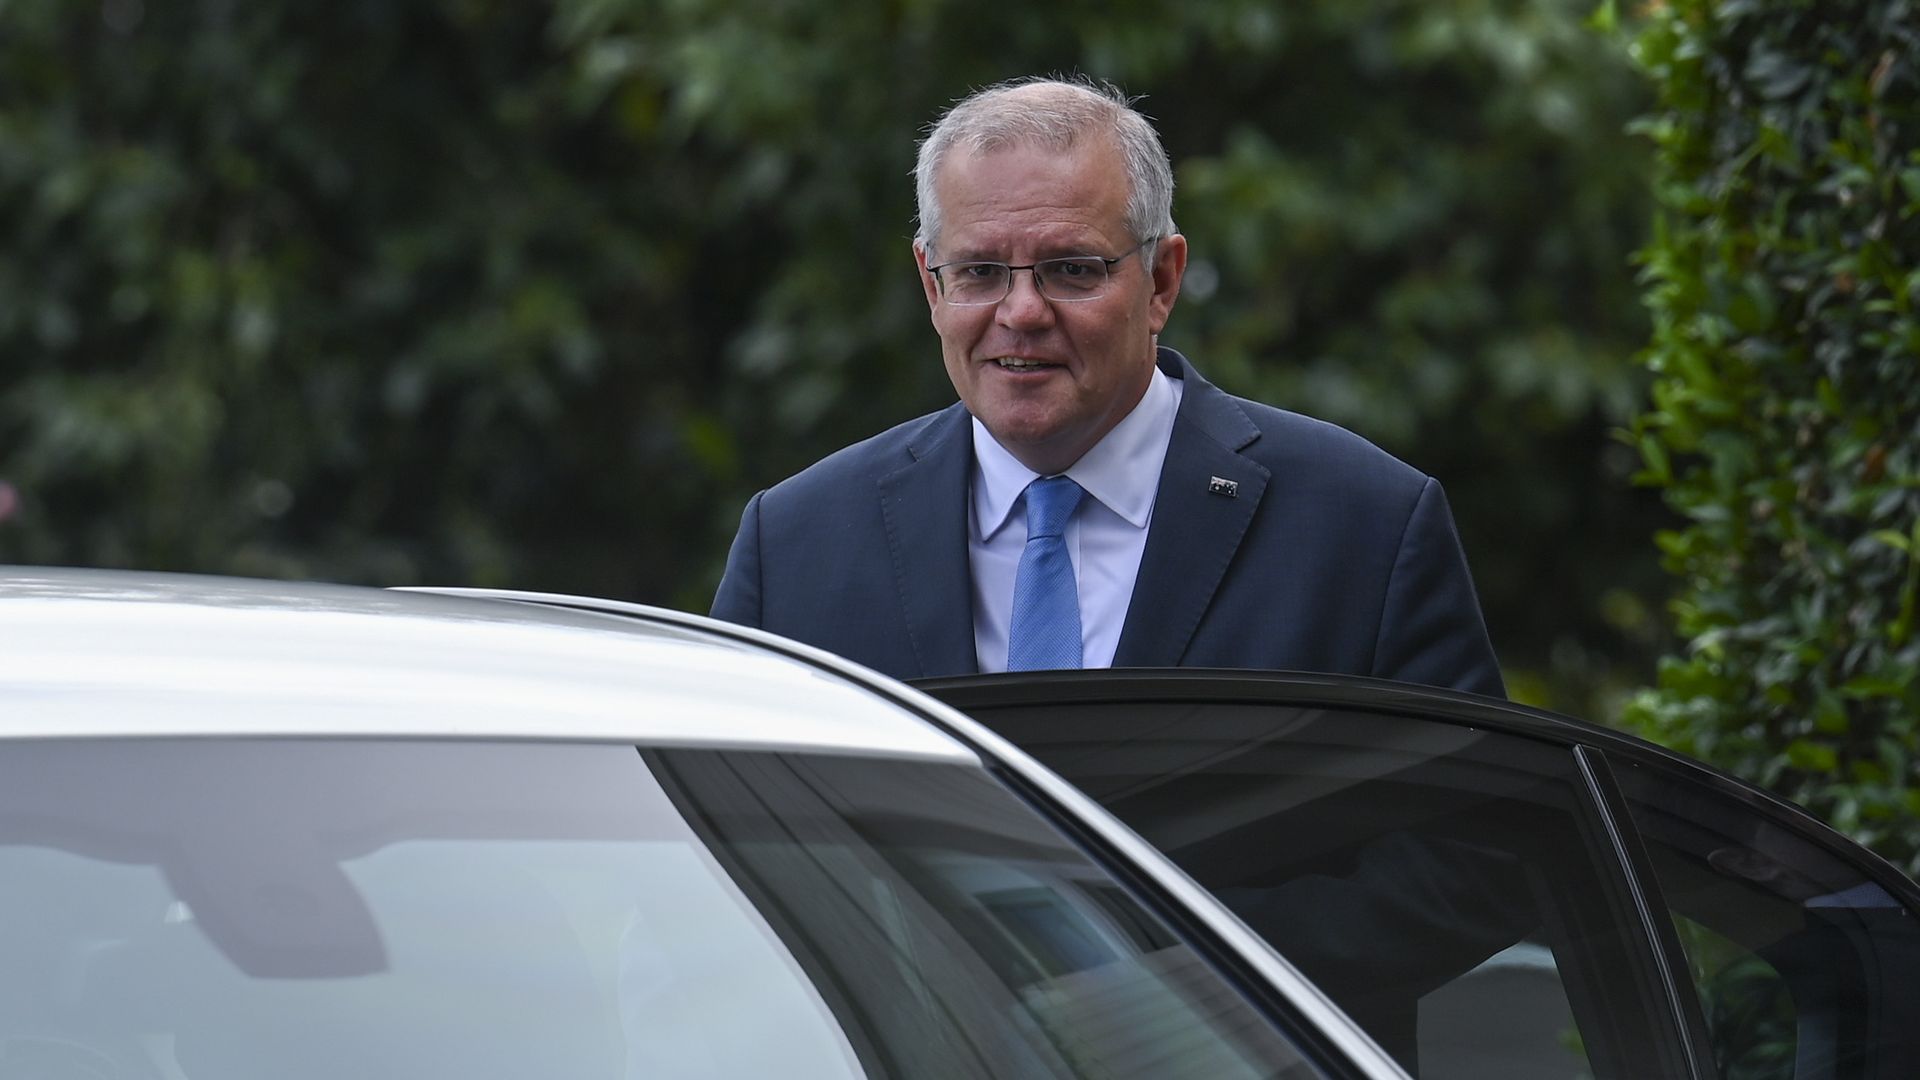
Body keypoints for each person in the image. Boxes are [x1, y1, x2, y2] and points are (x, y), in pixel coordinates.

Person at [712, 76, 1502, 698]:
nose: (1022, 312)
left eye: (1071, 269)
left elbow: (1454, 842)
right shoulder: (796, 548)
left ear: (1162, 281)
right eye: (980, 272)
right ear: (931, 285)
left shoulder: (1364, 529)